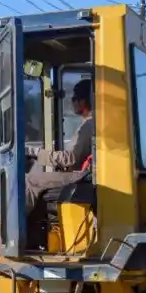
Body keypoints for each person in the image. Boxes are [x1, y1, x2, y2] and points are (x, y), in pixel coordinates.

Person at [25, 78, 94, 228]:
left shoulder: (88, 125)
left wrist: (35, 153)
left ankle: (17, 226)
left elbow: (70, 158)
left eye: (74, 99)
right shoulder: (93, 123)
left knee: (31, 180)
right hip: (86, 174)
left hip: (83, 177)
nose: (72, 102)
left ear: (82, 102)